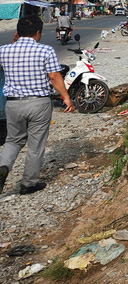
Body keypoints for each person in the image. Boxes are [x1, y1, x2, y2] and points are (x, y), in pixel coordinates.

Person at [0, 14, 73, 195]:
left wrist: (13, 42)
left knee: (13, 140)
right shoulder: (46, 51)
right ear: (38, 33)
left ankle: (3, 167)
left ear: (17, 32)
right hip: (39, 104)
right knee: (35, 144)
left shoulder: (3, 50)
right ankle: (29, 184)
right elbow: (54, 77)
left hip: (13, 104)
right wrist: (66, 97)